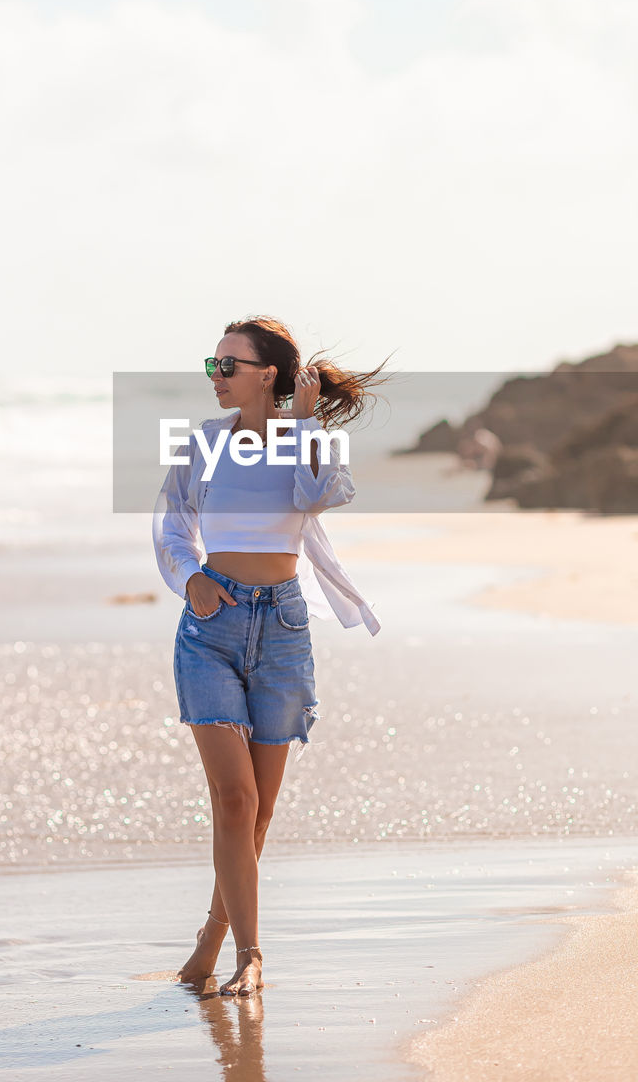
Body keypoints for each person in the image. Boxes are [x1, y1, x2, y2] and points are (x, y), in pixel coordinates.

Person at [152, 315, 391, 996]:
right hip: (211, 626)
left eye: (228, 365)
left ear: (267, 376)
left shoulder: (304, 443)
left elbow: (321, 495)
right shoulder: (201, 443)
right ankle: (247, 955)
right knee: (232, 798)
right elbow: (172, 526)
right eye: (212, 365)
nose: (216, 377)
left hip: (282, 628)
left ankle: (210, 939)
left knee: (258, 809)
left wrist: (309, 423)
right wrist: (190, 577)